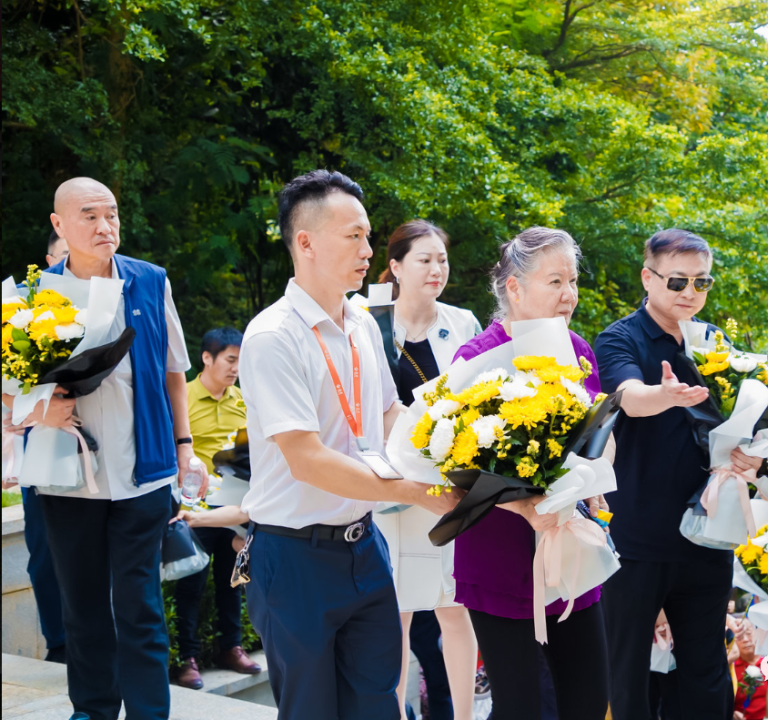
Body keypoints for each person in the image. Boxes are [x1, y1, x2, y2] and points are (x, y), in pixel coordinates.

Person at [238, 169, 460, 720]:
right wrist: (414, 491)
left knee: (377, 706)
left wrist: (454, 459)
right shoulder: (273, 336)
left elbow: (389, 416)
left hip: (365, 547)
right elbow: (306, 459)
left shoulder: (361, 320)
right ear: (306, 242)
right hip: (294, 557)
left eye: (367, 236)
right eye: (353, 237)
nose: (368, 251)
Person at [3, 177, 206, 720]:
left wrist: (185, 447)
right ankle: (92, 709)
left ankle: (148, 712)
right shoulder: (26, 298)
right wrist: (36, 411)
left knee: (139, 607)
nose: (104, 226)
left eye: (111, 215)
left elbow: (173, 374)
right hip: (65, 477)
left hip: (142, 473)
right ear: (59, 226)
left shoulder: (150, 281)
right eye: (90, 216)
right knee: (83, 607)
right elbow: (6, 392)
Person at [595, 228, 761, 720]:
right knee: (628, 673)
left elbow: (738, 423)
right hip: (639, 536)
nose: (691, 293)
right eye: (678, 281)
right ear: (648, 278)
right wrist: (664, 394)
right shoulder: (619, 337)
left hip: (709, 532)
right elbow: (627, 395)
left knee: (707, 666)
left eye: (702, 282)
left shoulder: (716, 343)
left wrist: (752, 450)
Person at [451, 226, 610, 720]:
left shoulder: (578, 350)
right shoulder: (475, 360)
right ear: (515, 288)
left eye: (573, 281)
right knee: (520, 706)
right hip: (498, 550)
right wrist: (521, 502)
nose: (570, 295)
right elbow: (456, 467)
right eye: (556, 281)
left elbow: (597, 438)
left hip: (568, 546)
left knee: (587, 697)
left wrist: (598, 485)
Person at [364, 219, 481, 720]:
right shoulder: (363, 318)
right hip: (392, 484)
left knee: (455, 606)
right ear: (394, 267)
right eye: (424, 260)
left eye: (442, 260)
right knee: (397, 613)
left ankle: (462, 714)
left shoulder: (462, 323)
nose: (437, 269)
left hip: (449, 485)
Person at [172, 327, 262, 690]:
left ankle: (231, 647)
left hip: (237, 506)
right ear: (206, 358)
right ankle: (187, 658)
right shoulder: (184, 398)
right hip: (195, 506)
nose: (236, 368)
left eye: (240, 361)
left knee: (233, 579)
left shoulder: (241, 399)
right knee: (191, 583)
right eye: (230, 359)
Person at [16, 229, 71, 664]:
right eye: (65, 257)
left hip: (101, 447)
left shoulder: (116, 297)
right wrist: (27, 411)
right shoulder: (20, 308)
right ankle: (59, 644)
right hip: (41, 447)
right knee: (45, 550)